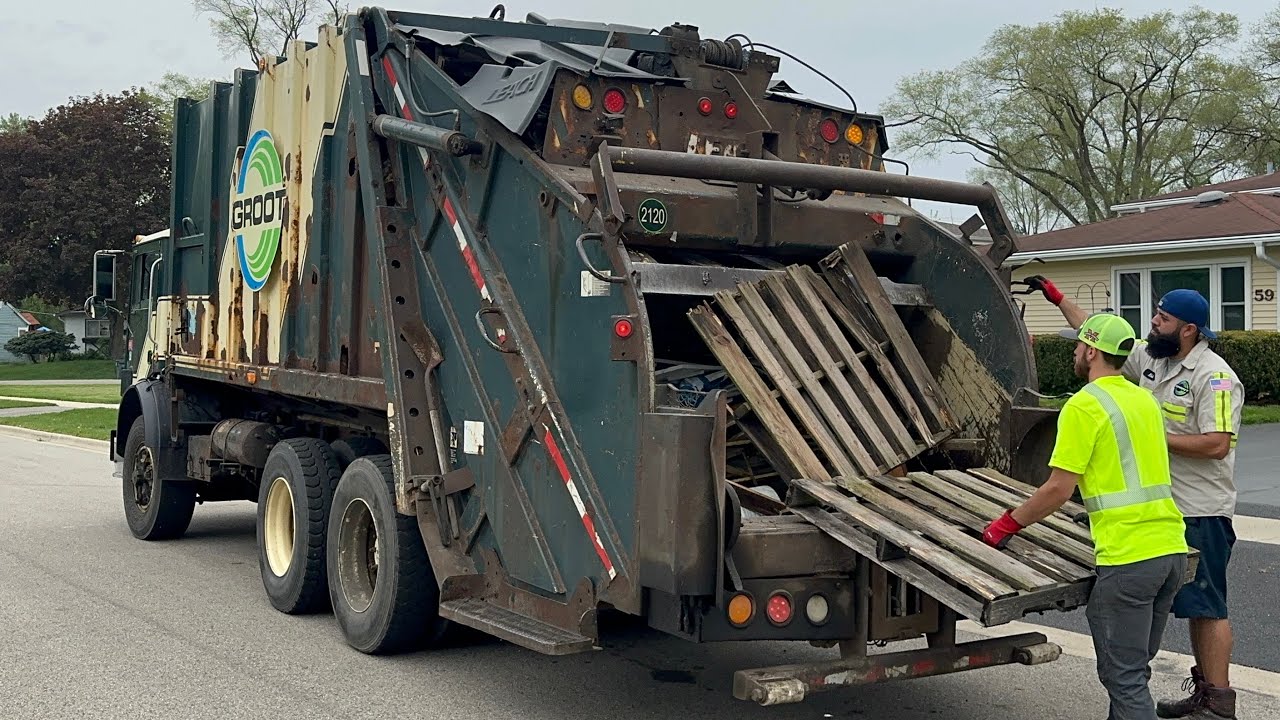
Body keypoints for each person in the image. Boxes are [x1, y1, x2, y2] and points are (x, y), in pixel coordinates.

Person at [1026, 277, 1243, 720]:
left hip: (1199, 508)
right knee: (1151, 624)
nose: (1153, 323)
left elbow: (1218, 444)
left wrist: (1155, 437)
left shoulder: (1216, 377)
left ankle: (1217, 701)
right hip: (1158, 511)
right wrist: (1058, 297)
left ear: (1188, 330)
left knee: (1207, 605)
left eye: (1162, 319)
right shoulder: (1151, 360)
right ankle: (1155, 699)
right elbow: (1097, 337)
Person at [982, 312, 1189, 720]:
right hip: (1171, 552)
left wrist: (1005, 525)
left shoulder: (1084, 405)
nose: (1075, 350)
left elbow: (1059, 488)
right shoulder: (1144, 399)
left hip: (1129, 558)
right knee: (1132, 672)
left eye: (1078, 344)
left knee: (1124, 678)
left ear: (1092, 351)